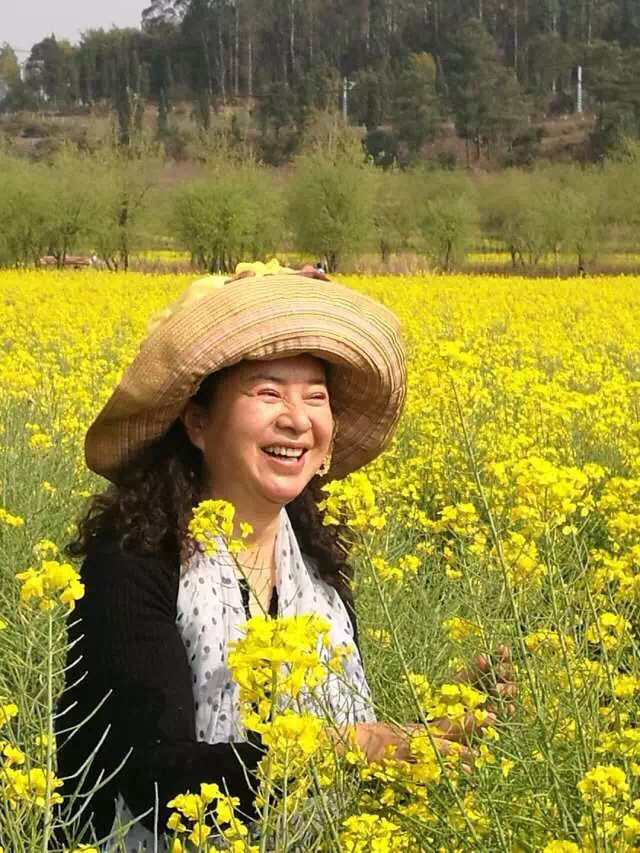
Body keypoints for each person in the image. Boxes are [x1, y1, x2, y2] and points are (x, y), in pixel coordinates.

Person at [53, 270, 512, 851]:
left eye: (315, 396)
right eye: (268, 393)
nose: (297, 419)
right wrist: (354, 748)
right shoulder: (132, 563)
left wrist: (427, 734)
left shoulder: (318, 572)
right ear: (198, 423)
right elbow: (154, 780)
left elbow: (335, 745)